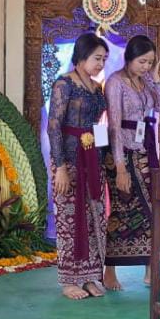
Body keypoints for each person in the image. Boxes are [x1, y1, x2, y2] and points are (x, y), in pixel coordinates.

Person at [102, 35, 160, 290]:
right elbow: (114, 127)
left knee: (152, 210)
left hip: (145, 152)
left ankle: (151, 271)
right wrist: (120, 168)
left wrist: (157, 78)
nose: (146, 66)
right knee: (123, 211)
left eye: (150, 62)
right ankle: (109, 272)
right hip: (121, 154)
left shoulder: (148, 82)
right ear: (129, 58)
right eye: (142, 61)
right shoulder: (115, 82)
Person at [48, 33, 109, 300]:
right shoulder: (64, 84)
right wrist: (60, 167)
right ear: (82, 56)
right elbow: (54, 127)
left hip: (93, 159)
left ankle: (90, 277)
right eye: (97, 58)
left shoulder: (97, 88)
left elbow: (99, 126)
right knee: (69, 220)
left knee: (95, 219)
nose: (101, 64)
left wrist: (104, 157)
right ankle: (69, 280)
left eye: (104, 59)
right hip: (69, 161)